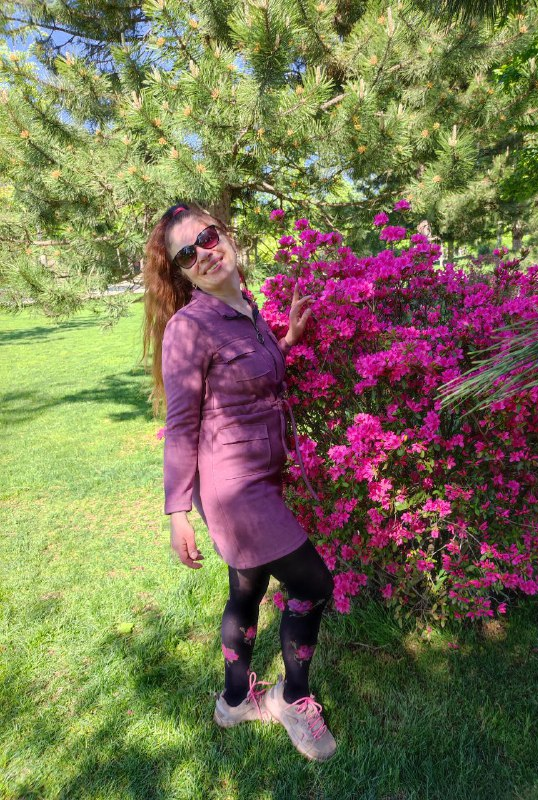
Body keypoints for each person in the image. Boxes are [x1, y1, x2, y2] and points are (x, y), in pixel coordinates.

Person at [142, 201, 337, 762]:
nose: (203, 253)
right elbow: (181, 425)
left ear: (224, 235)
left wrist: (287, 340)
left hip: (262, 475)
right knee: (312, 585)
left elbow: (253, 377)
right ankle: (291, 698)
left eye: (207, 237)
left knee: (246, 589)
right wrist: (177, 512)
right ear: (181, 271)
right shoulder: (189, 328)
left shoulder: (245, 307)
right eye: (187, 253)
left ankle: (233, 702)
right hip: (233, 490)